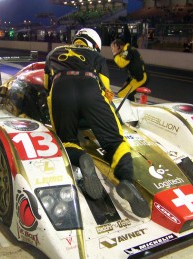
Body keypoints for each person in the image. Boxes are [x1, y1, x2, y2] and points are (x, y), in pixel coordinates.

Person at [44, 28, 150, 217]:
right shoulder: (96, 56)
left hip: (60, 90)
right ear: (94, 44)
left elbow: (46, 85)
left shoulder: (54, 53)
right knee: (116, 142)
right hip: (90, 89)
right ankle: (125, 180)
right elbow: (106, 91)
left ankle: (81, 158)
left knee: (66, 140)